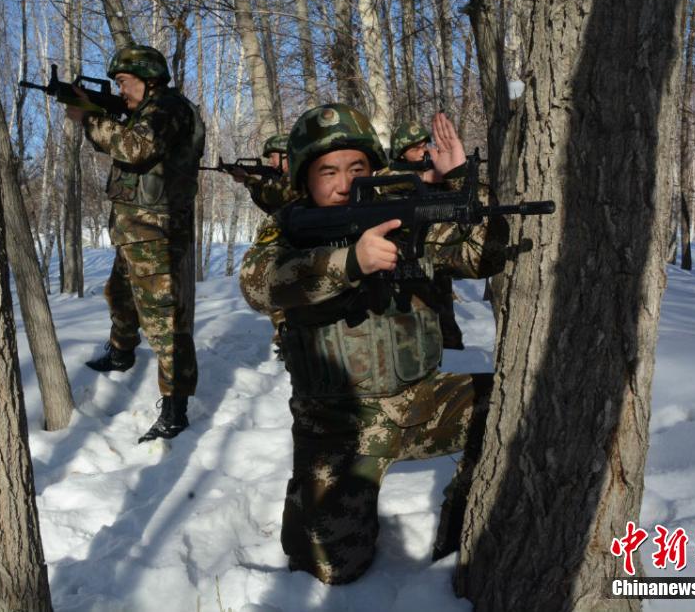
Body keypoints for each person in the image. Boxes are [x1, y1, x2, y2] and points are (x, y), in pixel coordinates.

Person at [239, 104, 509, 584]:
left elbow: (481, 255)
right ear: (305, 178)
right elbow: (258, 284)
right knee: (328, 570)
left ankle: (461, 533)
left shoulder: (402, 211)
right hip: (336, 429)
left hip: (422, 403)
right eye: (328, 171)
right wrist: (350, 263)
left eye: (355, 169)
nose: (343, 184)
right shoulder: (286, 227)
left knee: (509, 406)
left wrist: (460, 180)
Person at [66, 44, 205, 442]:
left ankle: (175, 410)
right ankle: (121, 352)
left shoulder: (168, 109)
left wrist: (91, 117)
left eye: (125, 82)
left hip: (155, 233)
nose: (121, 91)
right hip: (136, 230)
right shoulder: (148, 110)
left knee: (164, 321)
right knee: (120, 295)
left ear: (149, 78)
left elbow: (133, 148)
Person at [386, 119, 466, 350]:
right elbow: (381, 180)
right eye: (415, 148)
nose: (423, 152)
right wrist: (423, 179)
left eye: (424, 145)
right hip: (404, 266)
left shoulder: (434, 168)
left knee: (447, 330)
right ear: (401, 153)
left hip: (436, 263)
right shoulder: (393, 175)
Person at [230, 133, 301, 360]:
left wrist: (250, 180)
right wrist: (251, 183)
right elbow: (269, 204)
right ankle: (286, 334)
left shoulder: (298, 175)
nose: (271, 162)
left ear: (286, 156)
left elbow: (276, 196)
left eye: (273, 157)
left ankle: (291, 336)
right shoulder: (287, 176)